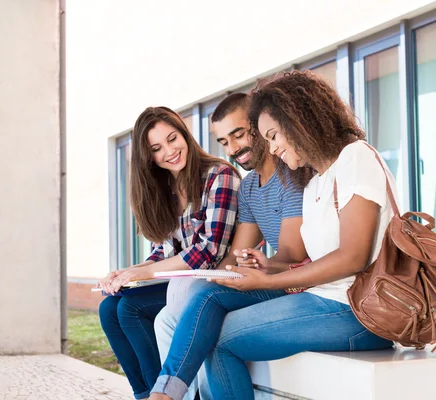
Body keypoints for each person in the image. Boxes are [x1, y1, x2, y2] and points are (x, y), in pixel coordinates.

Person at [149, 71, 396, 400]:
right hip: (325, 298)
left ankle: (164, 395)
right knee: (209, 301)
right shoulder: (318, 179)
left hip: (358, 311)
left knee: (218, 340)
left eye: (274, 135)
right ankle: (164, 393)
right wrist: (267, 267)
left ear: (301, 122)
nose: (273, 147)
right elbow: (308, 260)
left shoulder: (356, 157)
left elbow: (353, 257)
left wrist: (265, 281)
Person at [153, 93, 310, 400]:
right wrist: (223, 271)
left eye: (238, 135)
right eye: (224, 141)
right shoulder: (250, 185)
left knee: (206, 303)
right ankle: (171, 393)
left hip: (295, 284)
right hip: (268, 277)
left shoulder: (291, 174)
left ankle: (164, 394)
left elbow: (292, 257)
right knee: (174, 312)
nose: (233, 149)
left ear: (259, 126)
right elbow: (235, 255)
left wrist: (256, 265)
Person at [97, 106, 241, 400]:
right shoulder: (166, 188)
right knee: (109, 309)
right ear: (147, 156)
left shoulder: (219, 175)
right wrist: (125, 274)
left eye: (173, 139)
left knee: (130, 309)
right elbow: (161, 253)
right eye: (157, 148)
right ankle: (144, 394)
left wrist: (145, 272)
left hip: (209, 282)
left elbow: (209, 251)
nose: (169, 151)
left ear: (184, 134)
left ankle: (160, 396)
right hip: (178, 282)